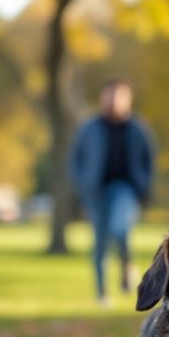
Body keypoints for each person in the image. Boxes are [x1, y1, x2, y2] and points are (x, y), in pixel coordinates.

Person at [69, 79, 155, 306]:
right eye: (110, 95)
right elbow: (76, 159)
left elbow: (148, 160)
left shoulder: (137, 128)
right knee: (99, 243)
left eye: (119, 96)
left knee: (120, 229)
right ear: (102, 98)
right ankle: (101, 293)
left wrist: (144, 186)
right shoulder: (90, 127)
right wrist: (82, 185)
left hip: (125, 189)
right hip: (96, 191)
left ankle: (126, 266)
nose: (114, 101)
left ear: (128, 99)